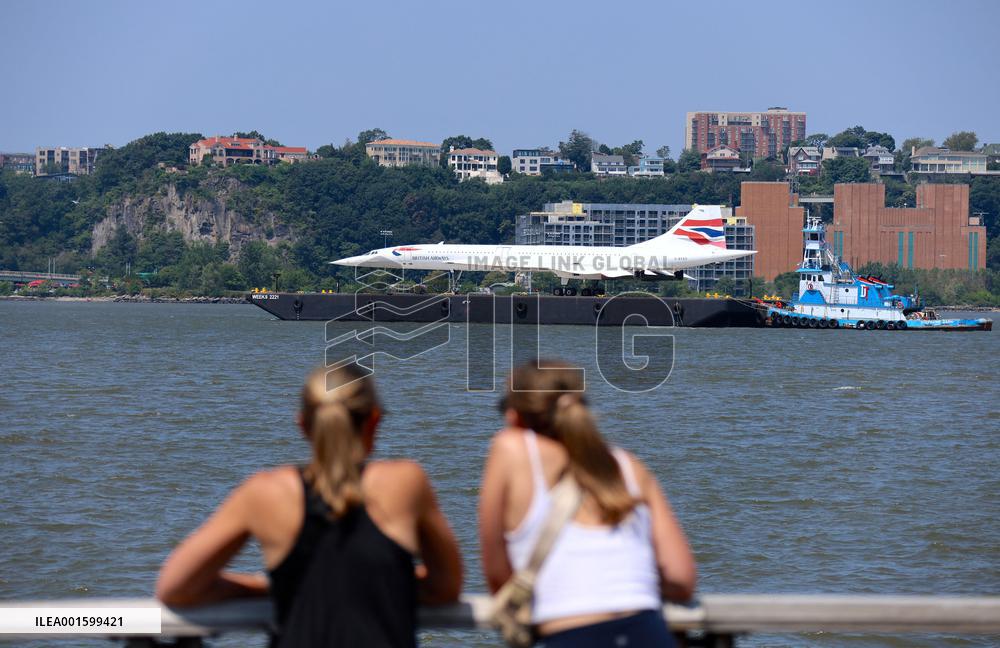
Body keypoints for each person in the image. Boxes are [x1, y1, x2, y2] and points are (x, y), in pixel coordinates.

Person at [156, 364, 463, 648]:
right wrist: (381, 583)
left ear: (302, 424)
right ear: (374, 419)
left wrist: (266, 586)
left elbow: (177, 587)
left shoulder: (266, 493)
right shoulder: (405, 483)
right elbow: (445, 586)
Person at [479, 360, 697, 647]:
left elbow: (497, 575)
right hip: (648, 632)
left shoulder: (512, 449)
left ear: (514, 415)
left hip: (571, 635)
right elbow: (682, 579)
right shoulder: (627, 466)